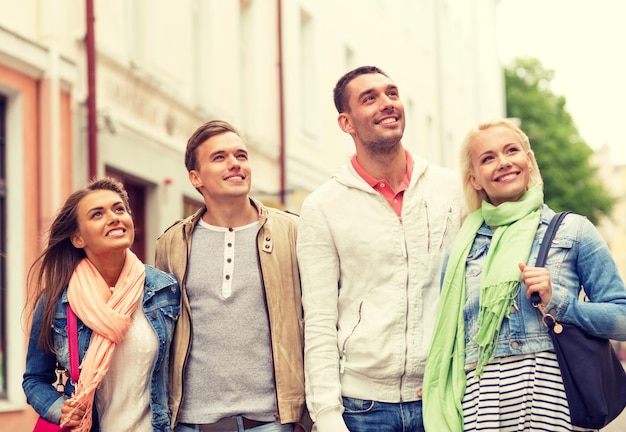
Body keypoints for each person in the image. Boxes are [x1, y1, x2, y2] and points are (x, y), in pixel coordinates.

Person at [422, 118, 626, 431]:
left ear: (528, 161)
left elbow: (621, 318)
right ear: (475, 178)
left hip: (553, 394)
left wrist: (559, 301)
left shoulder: (573, 231)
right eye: (488, 158)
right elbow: (447, 334)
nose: (503, 163)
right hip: (482, 403)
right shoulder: (461, 248)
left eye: (511, 151)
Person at [296, 65, 466, 432]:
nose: (387, 104)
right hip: (362, 409)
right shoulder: (323, 206)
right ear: (346, 122)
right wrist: (326, 415)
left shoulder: (453, 191)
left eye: (391, 93)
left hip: (442, 398)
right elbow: (320, 319)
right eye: (369, 98)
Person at [155, 120, 308, 432]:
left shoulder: (293, 233)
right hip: (190, 423)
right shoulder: (172, 243)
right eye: (220, 157)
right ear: (195, 178)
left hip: (271, 422)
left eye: (241, 155)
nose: (235, 164)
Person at [22, 177, 181, 431]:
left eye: (119, 209)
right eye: (97, 214)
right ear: (77, 238)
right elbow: (35, 379)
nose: (115, 217)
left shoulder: (164, 290)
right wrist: (57, 408)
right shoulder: (57, 301)